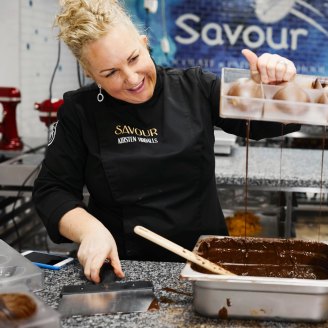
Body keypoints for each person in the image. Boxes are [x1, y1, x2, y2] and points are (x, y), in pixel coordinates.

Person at [33, 0, 299, 283]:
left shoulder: (196, 88)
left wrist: (277, 89)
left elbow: (264, 123)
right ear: (90, 73)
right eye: (110, 73)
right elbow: (52, 190)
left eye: (134, 58)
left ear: (145, 43)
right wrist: (89, 231)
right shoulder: (79, 112)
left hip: (205, 262)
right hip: (123, 267)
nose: (131, 78)